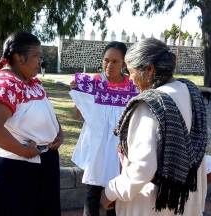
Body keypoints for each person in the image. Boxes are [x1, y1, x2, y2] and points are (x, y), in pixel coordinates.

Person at [100, 38, 208, 216]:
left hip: (153, 203)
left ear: (149, 69)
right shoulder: (190, 92)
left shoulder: (150, 105)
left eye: (131, 72)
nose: (131, 79)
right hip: (185, 198)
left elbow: (143, 167)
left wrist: (111, 192)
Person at [0, 31, 63, 216]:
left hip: (40, 164)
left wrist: (58, 134)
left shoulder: (32, 82)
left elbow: (46, 110)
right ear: (19, 57)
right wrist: (24, 151)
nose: (40, 61)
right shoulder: (4, 83)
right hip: (14, 170)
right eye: (36, 55)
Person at [69, 41, 139, 216]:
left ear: (124, 63)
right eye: (106, 60)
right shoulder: (94, 82)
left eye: (115, 61)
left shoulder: (133, 86)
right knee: (93, 191)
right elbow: (78, 116)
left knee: (115, 191)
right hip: (97, 144)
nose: (109, 65)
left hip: (121, 146)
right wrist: (80, 95)